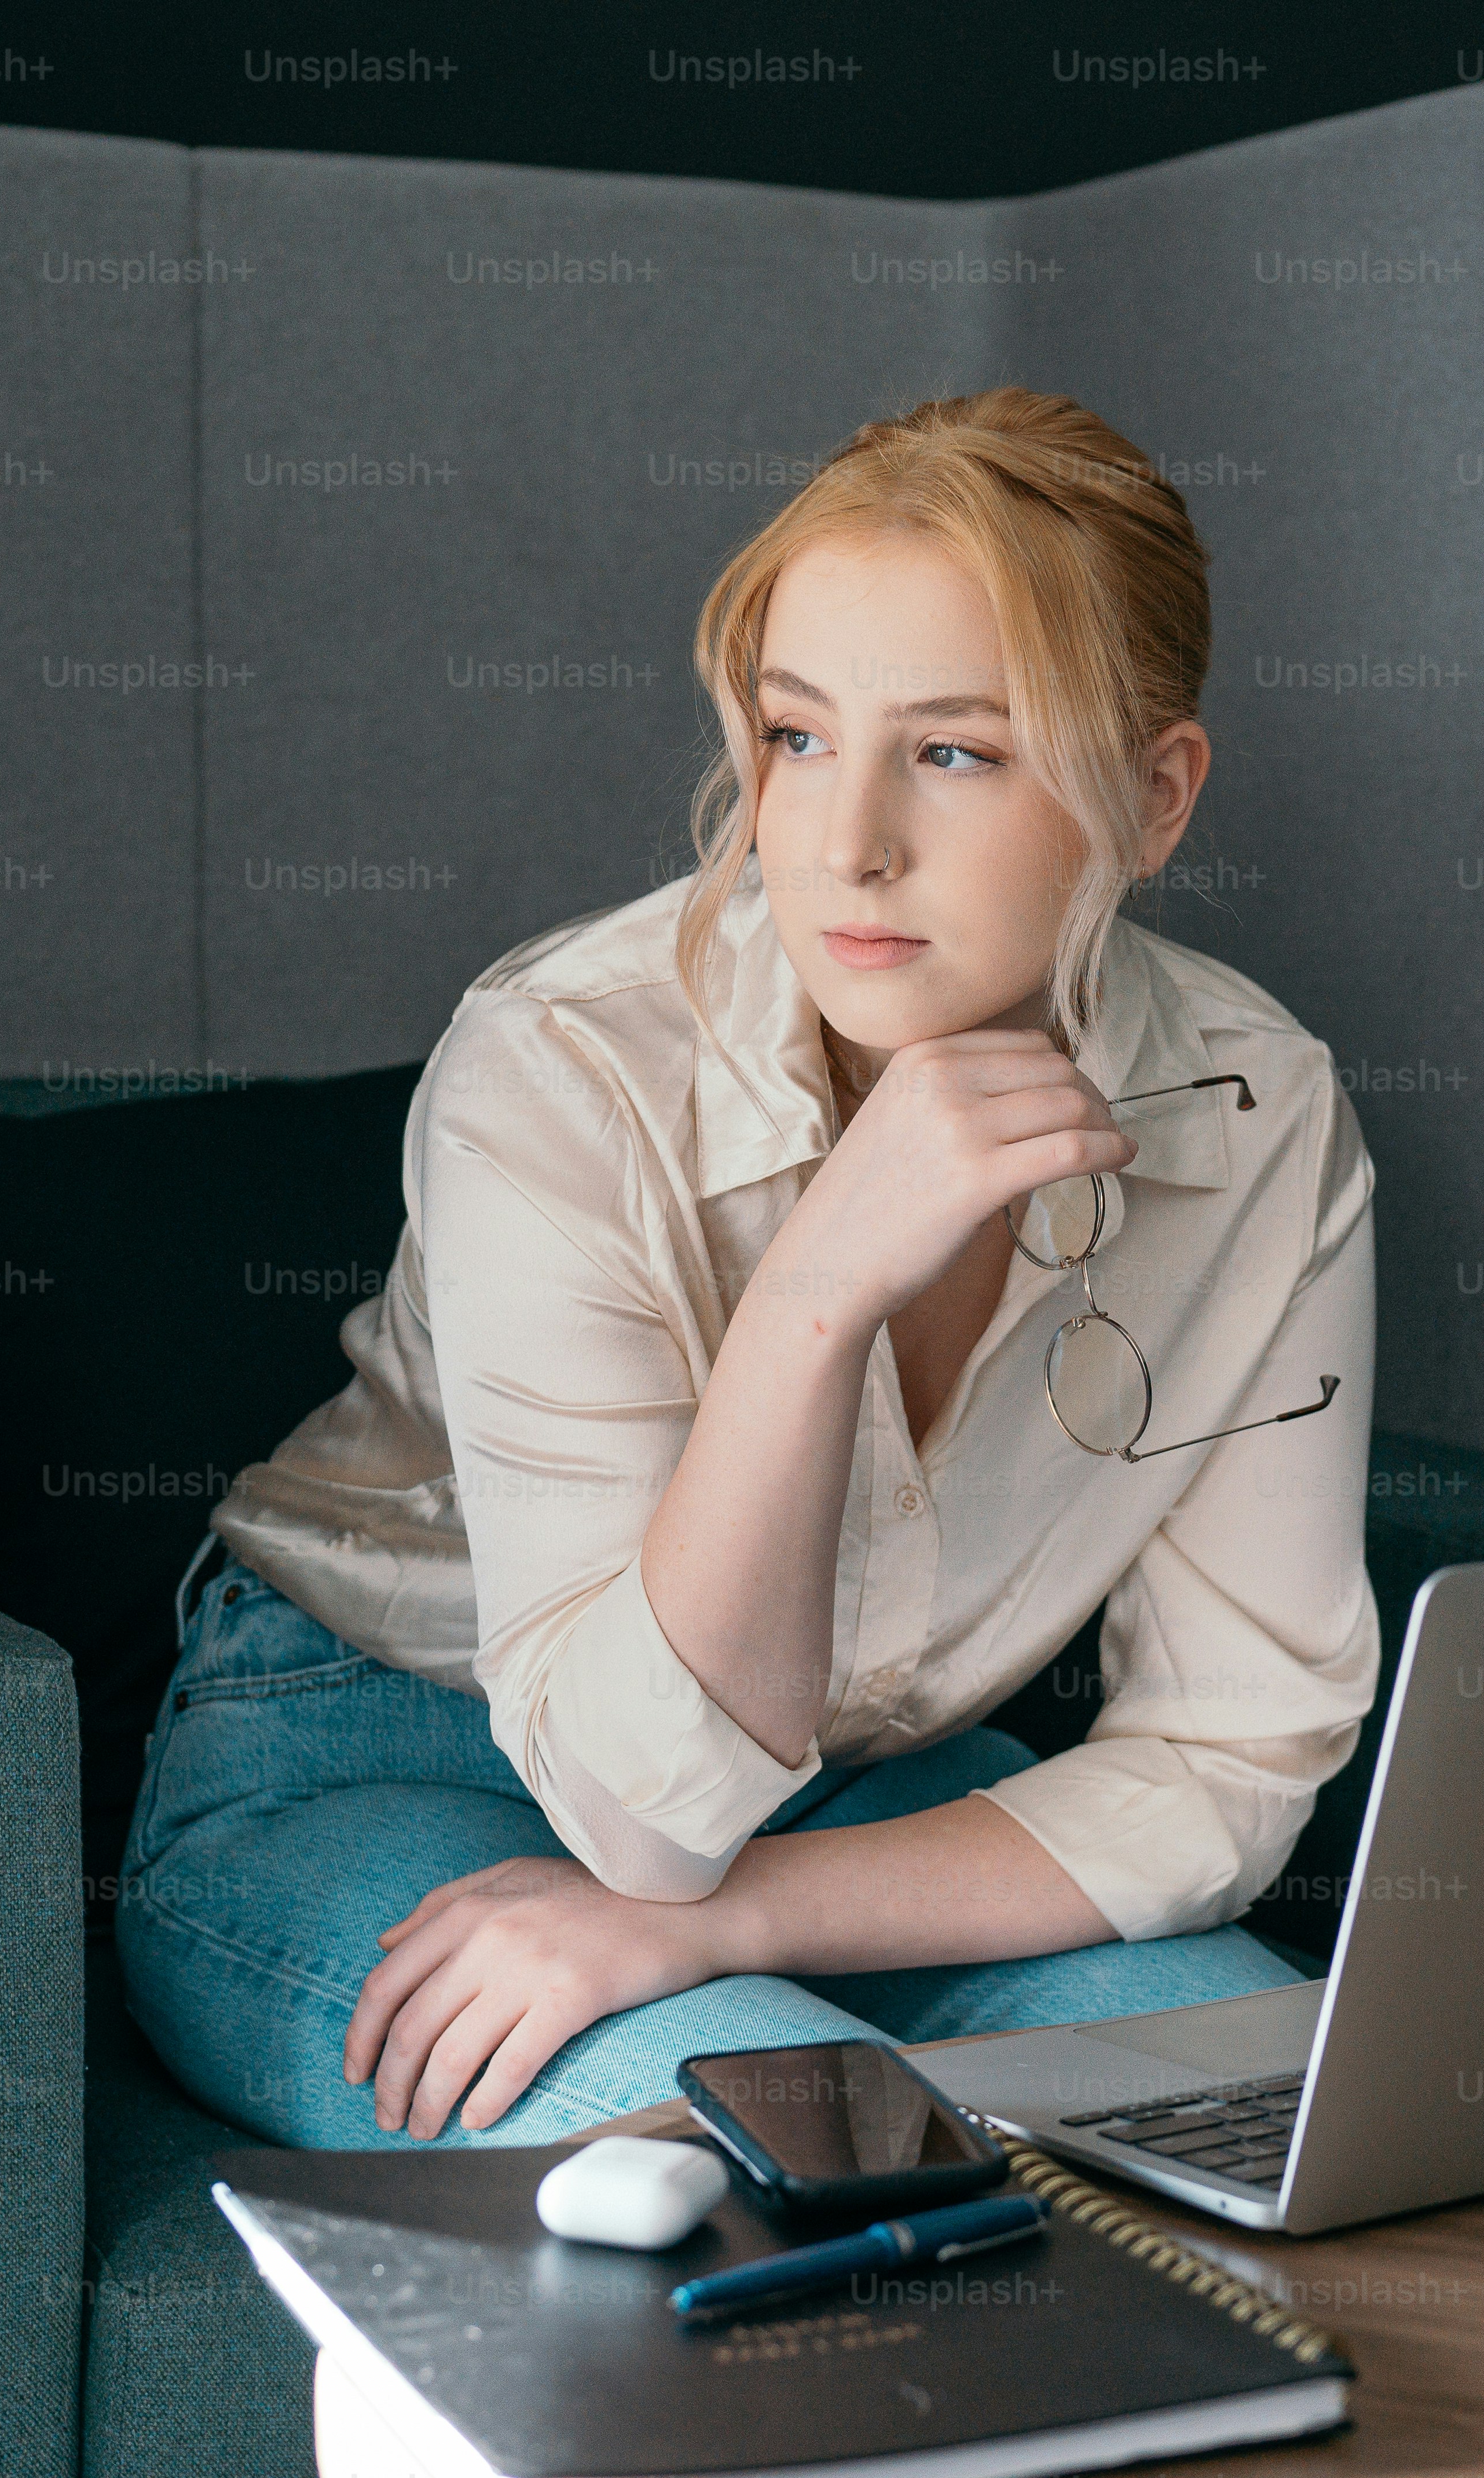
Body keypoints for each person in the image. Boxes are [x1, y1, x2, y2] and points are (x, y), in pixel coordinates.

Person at [116, 388, 1380, 2148]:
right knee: (764, 2139)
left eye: (953, 750)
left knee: (1270, 2104)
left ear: (1155, 797)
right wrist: (811, 1295)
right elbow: (645, 1821)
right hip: (379, 1750)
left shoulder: (1258, 1112)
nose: (843, 842)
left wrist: (724, 1926)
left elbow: (1229, 1751)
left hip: (860, 1803)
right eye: (797, 737)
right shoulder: (559, 1064)